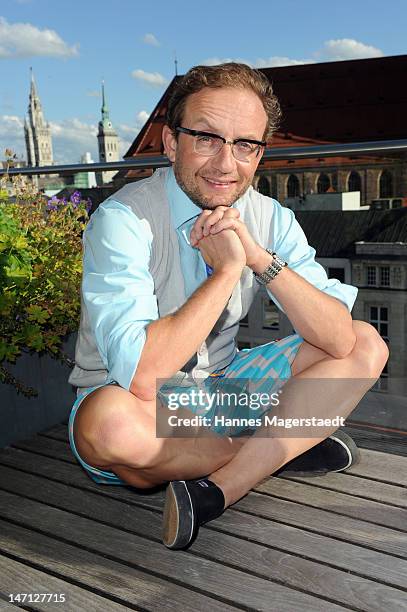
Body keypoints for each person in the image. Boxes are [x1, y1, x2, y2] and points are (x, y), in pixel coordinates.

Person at [67, 63, 388, 550]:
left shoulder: (267, 215)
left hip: (222, 393)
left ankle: (221, 488)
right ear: (172, 143)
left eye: (245, 145)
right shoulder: (124, 220)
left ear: (260, 153)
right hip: (141, 405)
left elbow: (341, 340)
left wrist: (258, 258)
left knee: (366, 344)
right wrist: (223, 273)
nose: (224, 163)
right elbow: (143, 377)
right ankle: (277, 449)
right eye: (206, 138)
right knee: (110, 428)